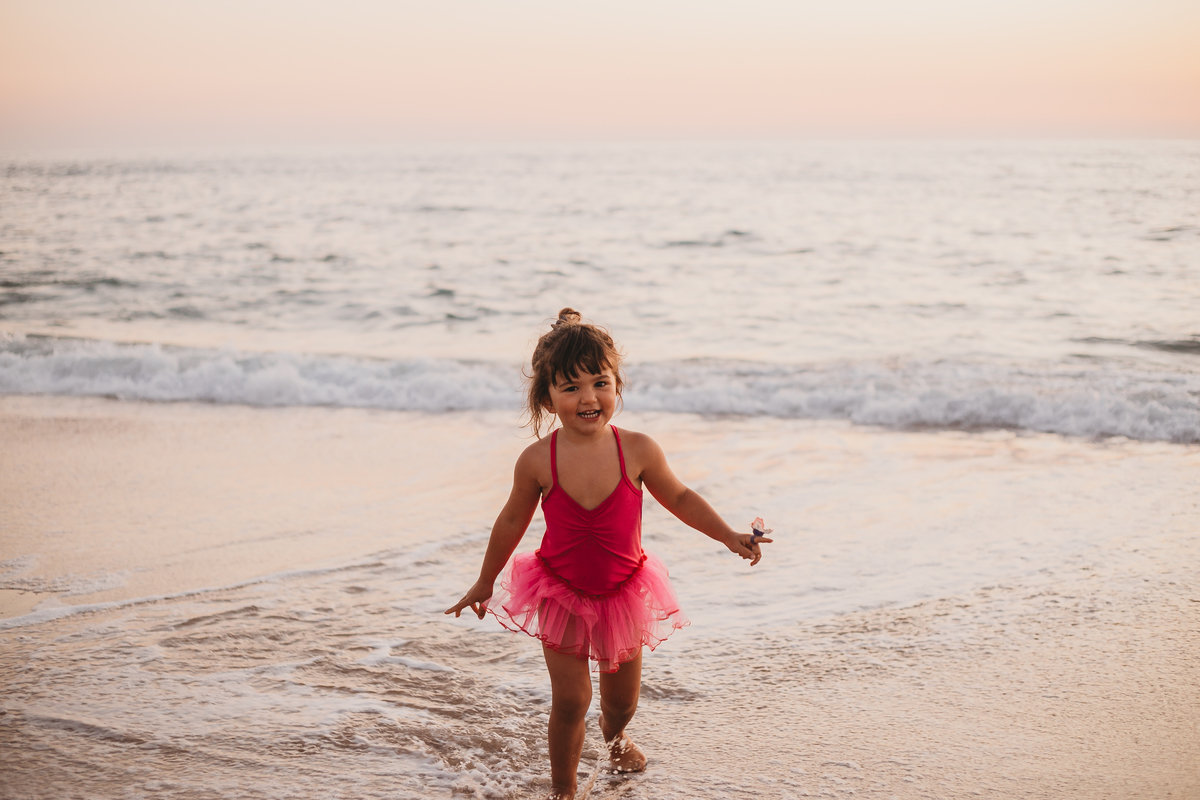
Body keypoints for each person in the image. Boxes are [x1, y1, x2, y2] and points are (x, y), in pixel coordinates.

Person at [446, 308, 772, 800]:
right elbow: (512, 521)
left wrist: (729, 536)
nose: (588, 398)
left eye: (600, 383)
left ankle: (616, 738)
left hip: (623, 592)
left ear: (618, 385)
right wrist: (485, 580)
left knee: (621, 703)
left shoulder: (637, 449)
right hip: (559, 590)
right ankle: (563, 789)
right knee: (572, 698)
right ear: (547, 396)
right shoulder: (538, 460)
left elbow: (680, 498)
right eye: (570, 387)